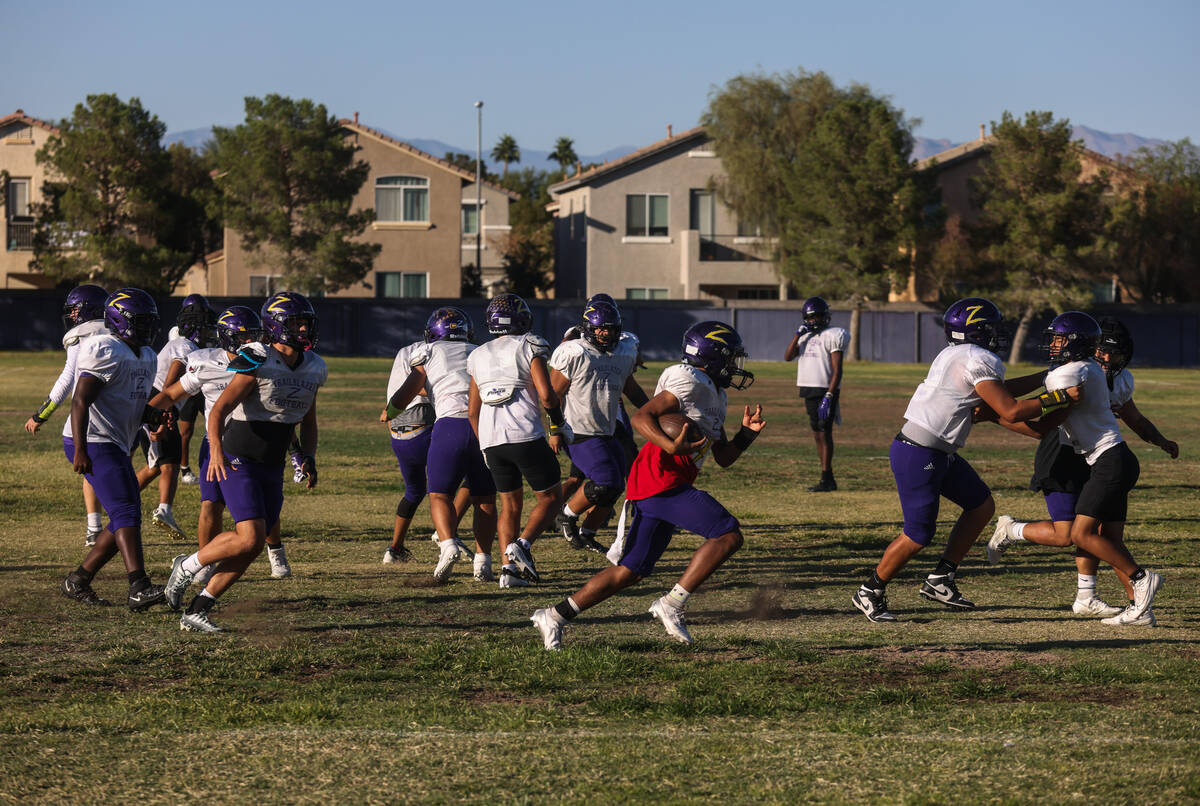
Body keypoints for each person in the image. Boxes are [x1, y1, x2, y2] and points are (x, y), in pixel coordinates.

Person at [531, 321, 764, 650]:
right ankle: (672, 603)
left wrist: (746, 435)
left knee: (631, 571)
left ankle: (555, 615)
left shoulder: (715, 392)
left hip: (666, 481)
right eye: (730, 359)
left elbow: (724, 457)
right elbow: (642, 418)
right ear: (712, 357)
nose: (735, 367)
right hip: (660, 479)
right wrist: (671, 447)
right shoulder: (689, 379)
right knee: (727, 534)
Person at [851, 297, 1078, 623]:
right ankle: (869, 590)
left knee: (981, 505)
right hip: (920, 452)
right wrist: (1057, 396)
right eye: (991, 328)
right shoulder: (978, 358)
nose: (997, 334)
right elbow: (1010, 409)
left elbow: (998, 390)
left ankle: (940, 579)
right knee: (918, 534)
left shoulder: (957, 354)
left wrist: (1044, 377)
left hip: (933, 450)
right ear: (978, 331)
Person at [986, 314, 1168, 626]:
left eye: (1059, 339)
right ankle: (1138, 607)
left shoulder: (1069, 375)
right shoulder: (1090, 371)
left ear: (1077, 342)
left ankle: (1140, 579)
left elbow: (1038, 425)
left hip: (1104, 460)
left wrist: (993, 412)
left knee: (1079, 534)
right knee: (1104, 538)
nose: (1053, 345)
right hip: (1113, 457)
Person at [163, 292, 326, 632]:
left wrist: (307, 457)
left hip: (272, 461)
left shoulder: (314, 367)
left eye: (306, 322)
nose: (303, 328)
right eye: (296, 322)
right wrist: (217, 450)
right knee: (250, 537)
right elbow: (220, 408)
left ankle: (198, 609)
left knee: (253, 543)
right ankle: (188, 565)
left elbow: (308, 421)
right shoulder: (257, 356)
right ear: (276, 326)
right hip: (239, 455)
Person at [148, 305, 290, 587]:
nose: (250, 342)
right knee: (211, 505)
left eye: (254, 335)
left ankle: (275, 552)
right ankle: (204, 563)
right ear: (225, 337)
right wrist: (150, 418)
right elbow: (172, 393)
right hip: (216, 444)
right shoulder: (207, 362)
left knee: (260, 509)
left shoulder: (265, 361)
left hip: (254, 441)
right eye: (243, 336)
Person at [60, 288, 168, 611]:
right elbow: (80, 401)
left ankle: (78, 580)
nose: (149, 328)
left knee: (124, 515)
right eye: (142, 321)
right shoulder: (104, 348)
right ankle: (138, 586)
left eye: (151, 321)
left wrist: (153, 415)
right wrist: (80, 449)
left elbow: (133, 397)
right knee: (125, 512)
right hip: (92, 439)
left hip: (115, 441)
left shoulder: (146, 354)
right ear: (121, 322)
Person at [385, 307, 498, 583]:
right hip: (484, 426)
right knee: (484, 498)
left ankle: (448, 545)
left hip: (450, 426)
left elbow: (407, 391)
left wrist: (390, 410)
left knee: (439, 495)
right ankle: (483, 562)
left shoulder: (429, 352)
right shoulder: (481, 351)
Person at [467, 293, 565, 588]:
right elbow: (547, 395)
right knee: (551, 498)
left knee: (509, 505)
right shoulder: (528, 345)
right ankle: (521, 545)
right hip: (523, 433)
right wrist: (557, 424)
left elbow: (472, 411)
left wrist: (485, 442)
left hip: (491, 438)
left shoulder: (477, 354)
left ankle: (508, 571)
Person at [549, 299, 646, 553]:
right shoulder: (575, 352)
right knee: (605, 482)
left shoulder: (623, 352)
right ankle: (566, 515)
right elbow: (552, 395)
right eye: (601, 328)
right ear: (588, 328)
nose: (606, 333)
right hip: (578, 429)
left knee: (615, 487)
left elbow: (631, 389)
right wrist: (554, 429)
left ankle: (588, 532)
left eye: (611, 329)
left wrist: (653, 410)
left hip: (606, 429)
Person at [25, 284, 110, 546]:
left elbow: (67, 378)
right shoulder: (116, 333)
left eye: (75, 311)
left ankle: (97, 527)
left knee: (96, 475)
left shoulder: (82, 337)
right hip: (117, 414)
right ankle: (100, 527)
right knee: (102, 473)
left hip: (95, 417)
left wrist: (41, 414)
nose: (72, 316)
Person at [380, 336, 474, 569]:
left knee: (414, 491)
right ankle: (447, 535)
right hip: (423, 423)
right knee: (473, 474)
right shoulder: (432, 352)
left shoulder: (405, 350)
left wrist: (388, 412)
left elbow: (398, 389)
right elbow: (421, 385)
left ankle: (395, 548)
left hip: (399, 432)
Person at [136, 295, 215, 540]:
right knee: (168, 462)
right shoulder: (185, 347)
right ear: (194, 326)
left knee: (155, 466)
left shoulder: (185, 345)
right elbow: (171, 382)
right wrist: (162, 412)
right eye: (204, 327)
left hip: (157, 401)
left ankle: (123, 498)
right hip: (158, 401)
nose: (207, 332)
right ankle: (163, 509)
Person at [784, 296, 848, 492]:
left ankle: (827, 478)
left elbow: (837, 370)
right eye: (811, 318)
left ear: (826, 316)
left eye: (818, 317)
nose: (814, 321)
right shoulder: (804, 336)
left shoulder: (834, 334)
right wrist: (797, 335)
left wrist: (829, 396)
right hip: (808, 389)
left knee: (825, 433)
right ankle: (826, 478)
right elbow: (787, 357)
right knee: (817, 434)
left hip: (824, 390)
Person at [174, 294, 217, 486]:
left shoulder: (208, 330)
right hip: (189, 384)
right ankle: (184, 468)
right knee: (186, 429)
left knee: (216, 422)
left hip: (205, 382)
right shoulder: (178, 335)